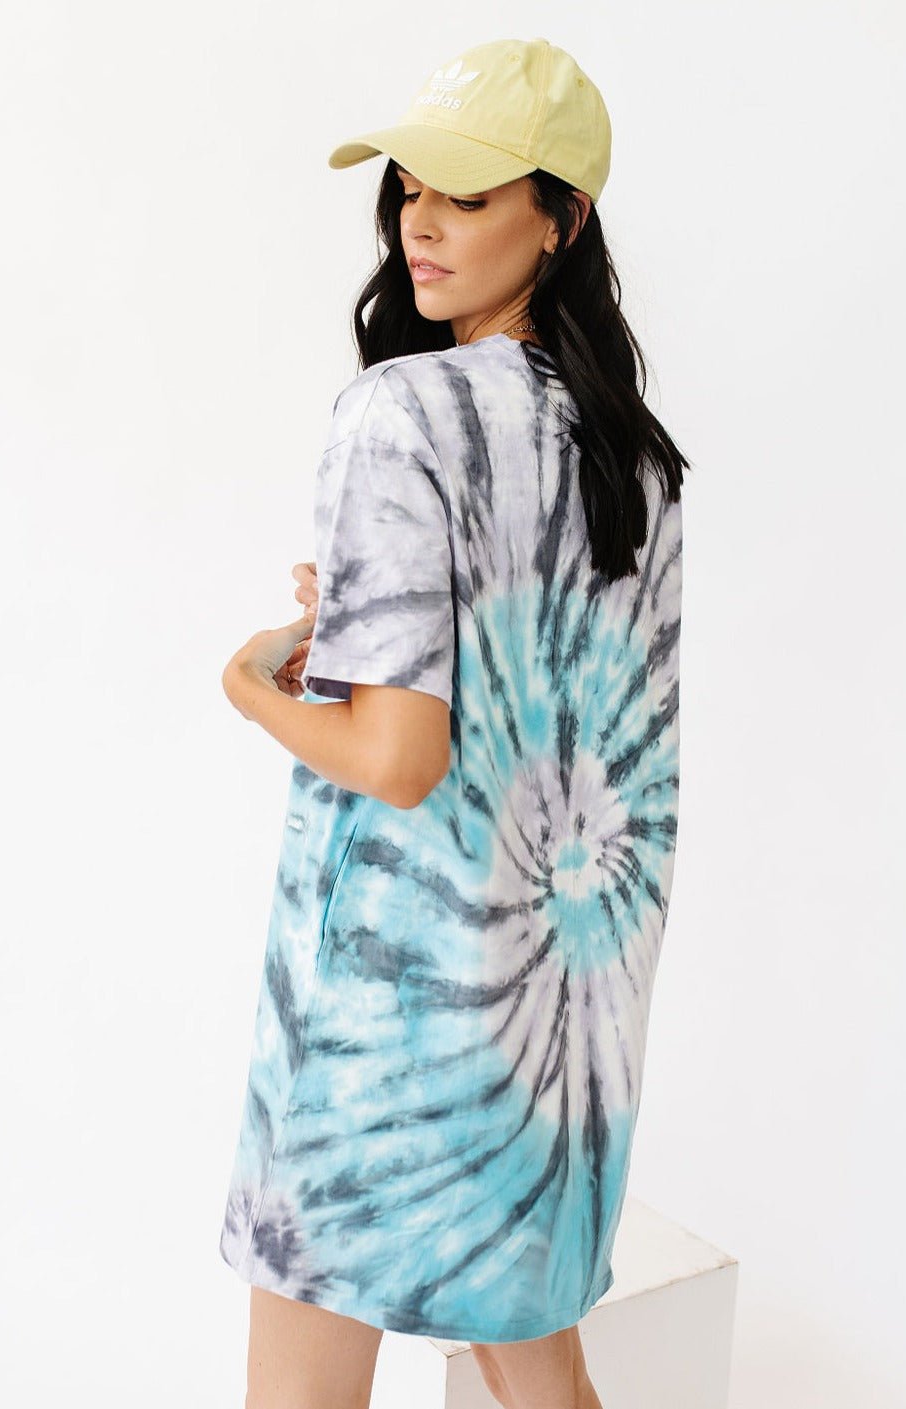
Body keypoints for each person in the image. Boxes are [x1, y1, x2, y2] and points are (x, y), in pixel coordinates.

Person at [218, 36, 689, 1409]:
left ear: (563, 218)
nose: (420, 224)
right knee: (542, 1375)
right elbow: (558, 706)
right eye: (410, 189)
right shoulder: (635, 459)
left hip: (385, 1018)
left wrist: (251, 680)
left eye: (468, 196)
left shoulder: (401, 410)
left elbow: (399, 759)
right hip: (553, 1028)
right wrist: (372, 620)